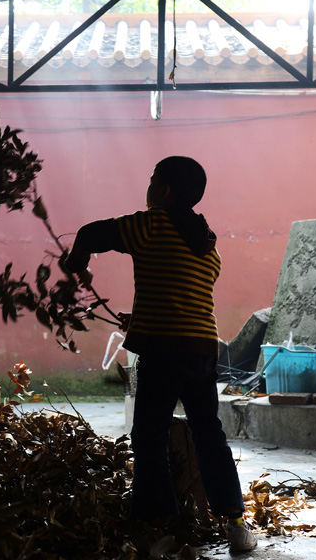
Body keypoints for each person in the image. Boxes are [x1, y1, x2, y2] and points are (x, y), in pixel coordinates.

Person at [63, 156, 257, 553]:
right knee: (208, 432)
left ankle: (158, 529)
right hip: (203, 348)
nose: (148, 187)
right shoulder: (207, 244)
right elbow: (181, 295)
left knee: (148, 434)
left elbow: (89, 233)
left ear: (164, 191)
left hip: (163, 351)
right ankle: (237, 524)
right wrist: (142, 317)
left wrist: (75, 262)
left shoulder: (151, 223)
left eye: (152, 181)